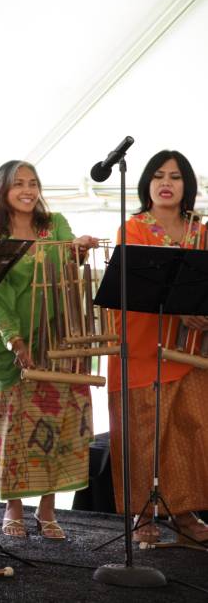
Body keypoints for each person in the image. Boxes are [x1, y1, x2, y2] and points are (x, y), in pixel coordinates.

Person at [0, 160, 97, 539]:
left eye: (33, 183)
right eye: (19, 184)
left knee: (59, 423)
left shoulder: (56, 224)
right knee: (15, 427)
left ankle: (47, 509)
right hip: (14, 341)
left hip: (60, 337)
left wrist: (77, 251)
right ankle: (13, 507)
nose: (28, 190)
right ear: (2, 191)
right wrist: (15, 340)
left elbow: (67, 264)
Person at [107, 150, 208, 543]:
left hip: (192, 347)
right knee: (144, 430)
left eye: (176, 176)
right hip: (143, 345)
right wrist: (181, 310)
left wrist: (200, 312)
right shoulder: (131, 229)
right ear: (146, 183)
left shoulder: (202, 232)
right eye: (159, 176)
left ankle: (184, 513)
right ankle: (142, 515)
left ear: (187, 186)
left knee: (190, 428)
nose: (167, 183)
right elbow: (131, 291)